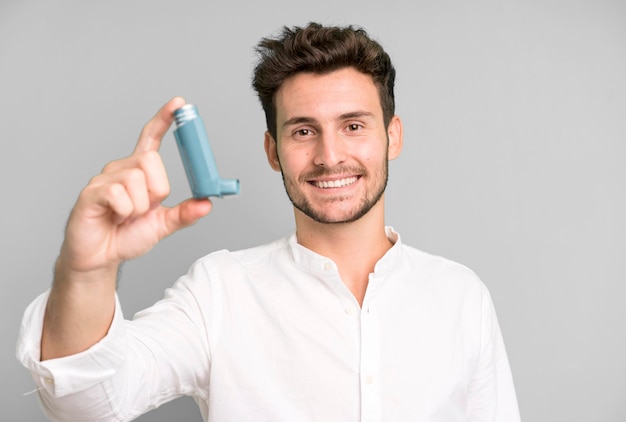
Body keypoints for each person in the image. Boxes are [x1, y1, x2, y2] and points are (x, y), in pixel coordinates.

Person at [17, 22, 520, 421]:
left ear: (393, 137)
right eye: (304, 130)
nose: (329, 156)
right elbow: (86, 403)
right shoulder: (219, 292)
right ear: (273, 151)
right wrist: (86, 271)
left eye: (353, 126)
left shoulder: (461, 297)